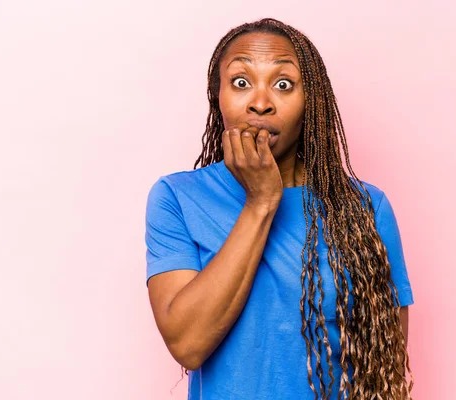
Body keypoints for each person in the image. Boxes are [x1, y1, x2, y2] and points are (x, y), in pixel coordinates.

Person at [145, 18, 415, 400]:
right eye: (241, 82)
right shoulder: (178, 197)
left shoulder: (365, 208)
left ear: (312, 102)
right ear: (217, 96)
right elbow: (188, 344)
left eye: (283, 84)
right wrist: (261, 202)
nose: (260, 102)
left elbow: (383, 371)